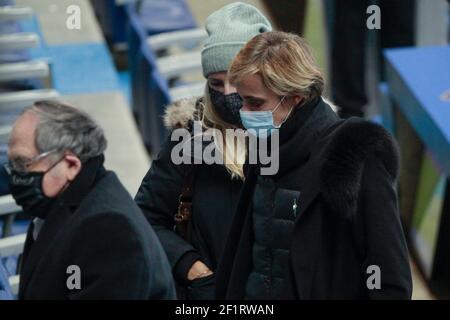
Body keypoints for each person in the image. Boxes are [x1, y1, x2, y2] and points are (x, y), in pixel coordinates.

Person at [216, 31, 412, 299]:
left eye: (255, 103)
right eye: (243, 101)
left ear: (295, 97)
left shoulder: (354, 155)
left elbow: (390, 280)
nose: (244, 113)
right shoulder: (263, 149)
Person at [135, 2, 272, 300]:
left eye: (237, 80)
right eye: (216, 83)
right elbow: (145, 217)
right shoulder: (189, 138)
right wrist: (192, 268)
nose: (227, 94)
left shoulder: (302, 139)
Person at [6, 100, 175, 300]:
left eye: (23, 163)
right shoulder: (57, 203)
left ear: (70, 165)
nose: (15, 174)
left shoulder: (110, 230)